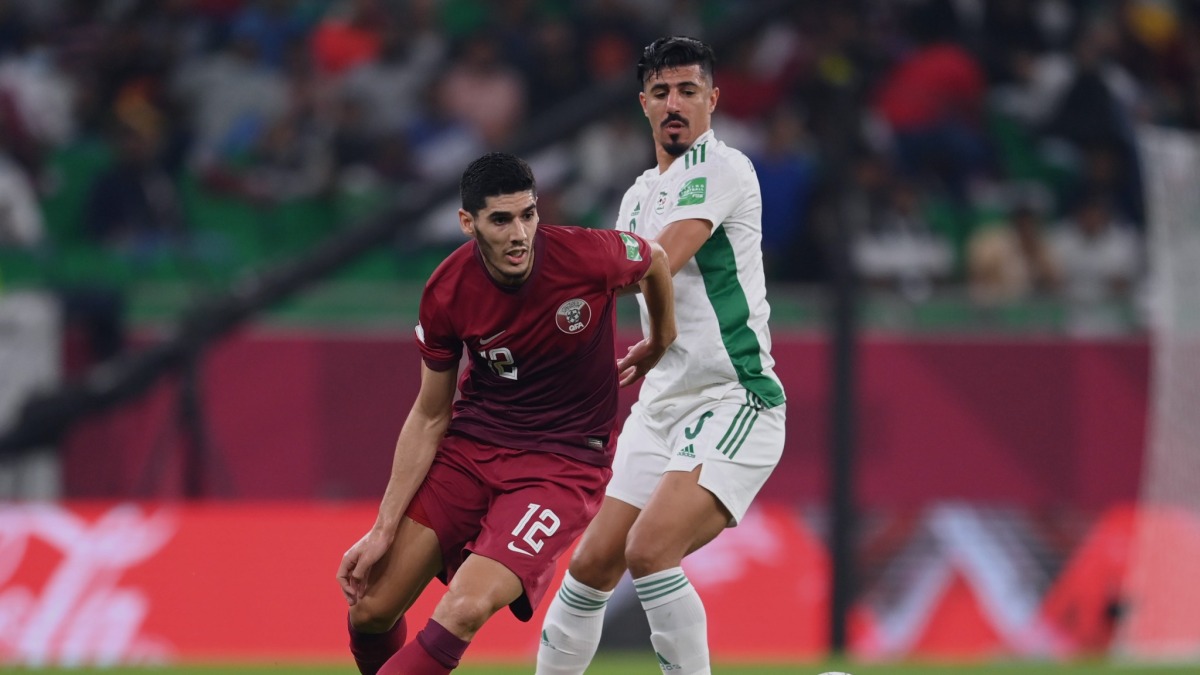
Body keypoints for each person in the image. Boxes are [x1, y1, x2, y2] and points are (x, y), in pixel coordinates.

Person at [336, 151, 676, 675]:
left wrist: (660, 339)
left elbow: (652, 257)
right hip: (473, 450)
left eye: (528, 214)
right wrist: (382, 529)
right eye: (501, 219)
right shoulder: (447, 291)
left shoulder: (588, 256)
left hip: (560, 467)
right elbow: (430, 415)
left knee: (464, 609)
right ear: (468, 223)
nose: (520, 233)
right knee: (371, 611)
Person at [537, 36, 787, 675]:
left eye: (688, 91)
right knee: (592, 564)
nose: (674, 104)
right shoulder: (638, 195)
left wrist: (543, 281)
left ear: (713, 100)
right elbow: (634, 287)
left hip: (735, 397)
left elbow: (659, 261)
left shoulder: (725, 168)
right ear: (643, 103)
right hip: (661, 405)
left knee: (649, 550)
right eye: (662, 92)